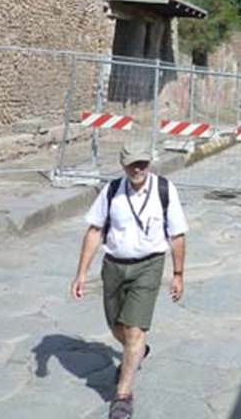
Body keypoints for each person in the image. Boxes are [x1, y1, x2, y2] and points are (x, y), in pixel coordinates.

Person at [69, 141, 188, 419]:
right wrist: (82, 273)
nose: (138, 168)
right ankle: (138, 350)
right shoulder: (112, 191)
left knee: (134, 329)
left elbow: (178, 235)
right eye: (133, 163)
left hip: (148, 266)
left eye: (143, 163)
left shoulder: (164, 190)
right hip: (113, 266)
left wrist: (178, 274)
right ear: (123, 165)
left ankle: (123, 395)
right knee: (116, 326)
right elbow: (95, 230)